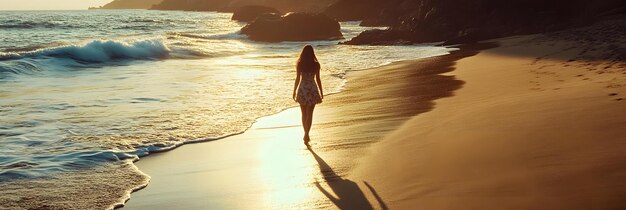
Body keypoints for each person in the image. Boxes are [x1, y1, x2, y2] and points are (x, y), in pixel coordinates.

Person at [292, 45, 323, 146]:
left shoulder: (300, 64)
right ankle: (306, 134)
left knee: (303, 114)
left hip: (303, 89)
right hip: (312, 89)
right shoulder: (316, 65)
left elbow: (297, 79)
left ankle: (305, 134)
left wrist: (294, 90)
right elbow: (318, 79)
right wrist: (321, 91)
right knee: (310, 114)